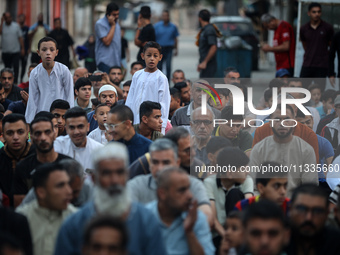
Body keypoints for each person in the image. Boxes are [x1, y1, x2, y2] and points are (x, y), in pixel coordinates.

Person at [54, 142, 167, 255]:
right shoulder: (74, 225)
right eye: (107, 173)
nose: (114, 180)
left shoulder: (146, 222)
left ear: (127, 175)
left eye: (119, 172)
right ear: (94, 178)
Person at [127, 138, 212, 224]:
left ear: (177, 163)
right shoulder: (136, 185)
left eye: (166, 163)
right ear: (150, 164)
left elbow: (207, 216)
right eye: (155, 162)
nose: (160, 168)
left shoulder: (193, 185)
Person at [250, 105, 318, 196]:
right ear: (271, 122)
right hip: (266, 204)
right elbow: (253, 187)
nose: (282, 123)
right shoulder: (259, 149)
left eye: (287, 119)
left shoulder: (306, 150)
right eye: (277, 119)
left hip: (295, 204)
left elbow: (309, 188)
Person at [146, 167, 215, 255]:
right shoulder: (144, 218)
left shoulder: (196, 218)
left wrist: (189, 233)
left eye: (188, 189)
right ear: (162, 194)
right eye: (182, 190)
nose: (190, 196)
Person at [16, 162, 77, 255]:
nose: (69, 191)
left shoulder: (77, 219)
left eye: (68, 184)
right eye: (60, 185)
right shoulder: (21, 219)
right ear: (41, 192)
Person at [12, 116, 71, 207]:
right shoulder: (23, 167)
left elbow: (76, 199)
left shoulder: (68, 164)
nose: (43, 138)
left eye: (47, 132)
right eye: (38, 133)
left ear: (54, 134)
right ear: (31, 136)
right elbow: (20, 206)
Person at [204, 147, 251, 251]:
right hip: (218, 234)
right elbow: (213, 219)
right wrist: (227, 237)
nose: (247, 172)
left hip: (241, 235)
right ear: (229, 173)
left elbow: (249, 207)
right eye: (243, 169)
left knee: (235, 193)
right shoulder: (209, 183)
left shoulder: (247, 180)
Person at [25, 37, 74, 123]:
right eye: (44, 50)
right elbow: (33, 99)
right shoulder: (35, 73)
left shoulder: (64, 70)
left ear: (56, 52)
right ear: (38, 52)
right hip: (42, 116)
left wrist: (70, 118)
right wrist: (30, 122)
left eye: (52, 50)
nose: (48, 53)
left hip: (61, 116)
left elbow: (69, 95)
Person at [126, 42, 170, 134]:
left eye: (155, 56)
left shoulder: (161, 78)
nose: (152, 59)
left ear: (160, 57)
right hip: (135, 120)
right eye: (149, 55)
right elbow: (130, 98)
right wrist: (127, 117)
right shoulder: (137, 75)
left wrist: (161, 126)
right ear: (142, 56)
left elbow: (164, 104)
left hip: (152, 122)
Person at [287, 184, 340, 254]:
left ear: (327, 214)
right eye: (302, 209)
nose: (309, 218)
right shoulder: (277, 238)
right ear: (290, 209)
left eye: (317, 211)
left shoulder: (335, 242)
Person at [19, 158, 92, 209]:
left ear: (83, 180)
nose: (69, 193)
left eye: (75, 191)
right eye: (61, 186)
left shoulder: (90, 189)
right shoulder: (41, 190)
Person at [54, 107, 103, 173]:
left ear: (88, 127)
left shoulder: (99, 150)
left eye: (80, 127)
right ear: (66, 129)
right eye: (72, 127)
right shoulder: (58, 146)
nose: (76, 132)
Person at [300, 2, 334, 92]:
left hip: (321, 66)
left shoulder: (327, 28)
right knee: (303, 90)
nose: (316, 14)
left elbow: (331, 47)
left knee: (319, 92)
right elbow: (305, 45)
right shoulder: (304, 28)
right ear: (309, 13)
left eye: (318, 12)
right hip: (307, 64)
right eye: (314, 12)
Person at [0, 114, 34, 202]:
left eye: (20, 132)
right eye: (10, 133)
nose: (15, 137)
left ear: (27, 133)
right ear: (3, 136)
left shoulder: (39, 156)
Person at [95, 2, 121, 73]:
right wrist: (112, 26)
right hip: (105, 63)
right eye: (114, 15)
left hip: (116, 62)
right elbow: (107, 42)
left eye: (117, 14)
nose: (116, 17)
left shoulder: (117, 24)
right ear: (108, 13)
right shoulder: (100, 24)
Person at [154, 10, 179, 80]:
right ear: (162, 16)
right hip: (159, 49)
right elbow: (153, 38)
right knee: (159, 66)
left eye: (166, 15)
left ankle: (167, 82)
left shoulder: (173, 26)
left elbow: (175, 38)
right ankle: (158, 81)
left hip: (169, 49)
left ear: (168, 16)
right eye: (163, 15)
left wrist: (176, 49)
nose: (165, 17)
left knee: (168, 66)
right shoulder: (157, 26)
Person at [0, 12, 24, 84]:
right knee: (7, 69)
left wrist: (22, 48)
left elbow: (20, 38)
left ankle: (15, 82)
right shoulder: (2, 26)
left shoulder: (16, 26)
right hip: (6, 52)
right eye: (6, 18)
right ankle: (8, 83)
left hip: (15, 52)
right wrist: (1, 22)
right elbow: (0, 32)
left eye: (9, 17)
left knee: (16, 68)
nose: (8, 19)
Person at [197, 9, 219, 78]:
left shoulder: (209, 30)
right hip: (205, 65)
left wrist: (205, 62)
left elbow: (213, 47)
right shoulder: (205, 30)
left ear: (200, 19)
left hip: (209, 65)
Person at [17, 14, 29, 83]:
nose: (21, 20)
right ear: (18, 19)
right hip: (16, 50)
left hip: (25, 49)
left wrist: (28, 48)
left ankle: (21, 78)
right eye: (20, 18)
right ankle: (15, 78)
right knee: (16, 66)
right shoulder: (16, 28)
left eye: (23, 18)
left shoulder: (27, 28)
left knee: (24, 65)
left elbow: (29, 39)